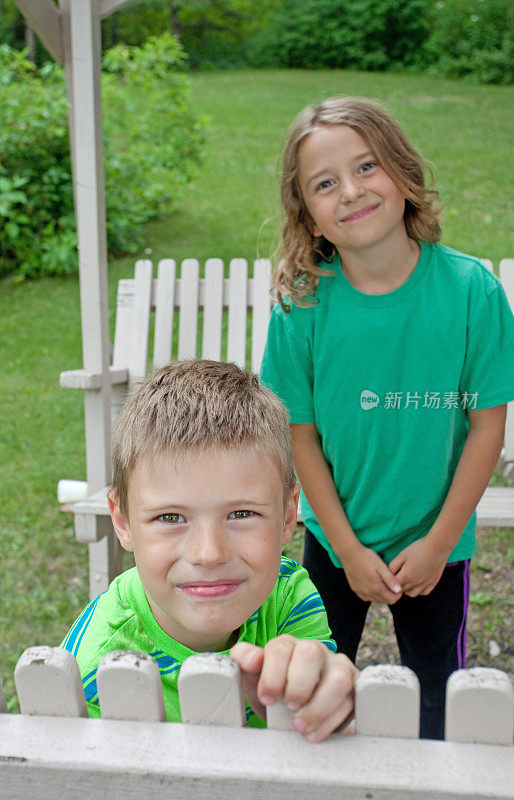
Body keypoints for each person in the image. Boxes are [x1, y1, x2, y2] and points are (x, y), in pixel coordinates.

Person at [260, 96, 514, 740]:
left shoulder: (469, 291)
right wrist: (346, 549)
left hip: (436, 546)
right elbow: (300, 435)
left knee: (437, 706)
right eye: (324, 183)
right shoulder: (304, 305)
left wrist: (436, 544)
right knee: (311, 700)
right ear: (309, 215)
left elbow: (487, 426)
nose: (350, 191)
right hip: (335, 542)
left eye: (366, 166)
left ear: (401, 172)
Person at [61, 359, 357, 741]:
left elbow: (326, 730)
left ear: (287, 516)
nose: (209, 553)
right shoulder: (94, 671)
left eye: (242, 513)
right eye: (170, 518)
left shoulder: (288, 595)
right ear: (122, 522)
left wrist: (319, 695)